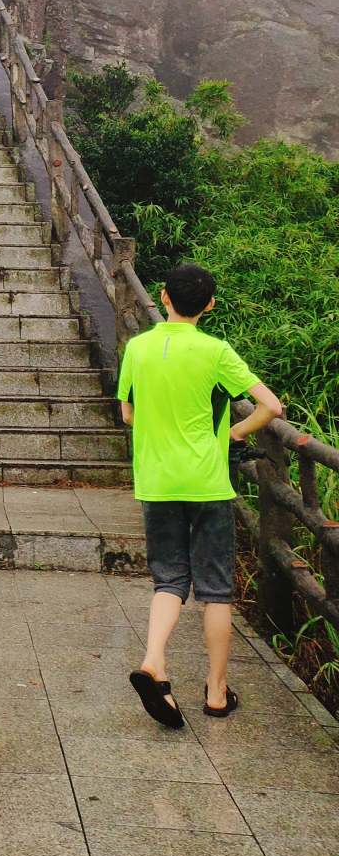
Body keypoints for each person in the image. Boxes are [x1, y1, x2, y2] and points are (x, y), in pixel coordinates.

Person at [117, 261, 283, 729]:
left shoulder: (138, 348)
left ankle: (154, 660)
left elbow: (128, 414)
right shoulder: (216, 351)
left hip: (157, 480)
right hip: (208, 483)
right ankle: (215, 692)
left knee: (169, 580)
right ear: (209, 304)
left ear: (164, 298)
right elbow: (271, 407)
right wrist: (232, 434)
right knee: (216, 590)